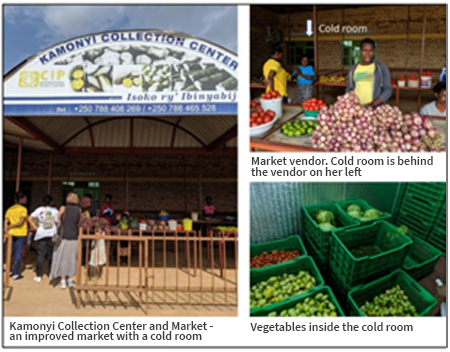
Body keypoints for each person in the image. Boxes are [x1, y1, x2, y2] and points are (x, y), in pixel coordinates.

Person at [346, 38, 392, 108]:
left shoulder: (380, 67)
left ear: (374, 51)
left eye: (370, 50)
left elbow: (388, 90)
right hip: (357, 109)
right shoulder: (353, 69)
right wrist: (352, 102)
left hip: (374, 109)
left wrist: (373, 104)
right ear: (360, 51)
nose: (367, 54)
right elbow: (349, 89)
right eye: (365, 50)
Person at [50, 191, 81, 289]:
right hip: (74, 236)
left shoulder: (63, 208)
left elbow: (58, 222)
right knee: (72, 258)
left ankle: (63, 280)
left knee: (62, 258)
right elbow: (78, 224)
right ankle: (70, 279)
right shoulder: (79, 210)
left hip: (63, 237)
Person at [28, 195, 58, 283]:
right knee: (51, 254)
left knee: (40, 255)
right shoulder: (54, 211)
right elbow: (57, 221)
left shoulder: (39, 210)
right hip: (52, 233)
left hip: (41, 233)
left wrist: (36, 227)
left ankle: (39, 275)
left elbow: (29, 218)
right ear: (51, 202)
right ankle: (51, 274)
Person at [4, 191, 28, 281]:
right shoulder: (23, 210)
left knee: (10, 252)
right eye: (25, 198)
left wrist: (7, 231)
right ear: (21, 199)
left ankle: (9, 270)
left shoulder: (10, 209)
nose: (26, 200)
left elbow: (5, 222)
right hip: (20, 233)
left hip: (11, 233)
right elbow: (21, 222)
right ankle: (16, 273)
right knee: (18, 253)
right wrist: (12, 226)